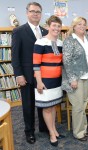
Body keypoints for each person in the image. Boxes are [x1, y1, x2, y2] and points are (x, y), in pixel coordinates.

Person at [11, 2, 48, 144]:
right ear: (27, 13)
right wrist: (18, 75)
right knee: (28, 105)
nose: (35, 14)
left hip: (42, 75)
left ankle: (43, 127)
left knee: (42, 102)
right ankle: (29, 131)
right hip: (26, 75)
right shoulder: (19, 31)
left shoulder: (45, 32)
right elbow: (15, 56)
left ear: (41, 14)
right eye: (32, 11)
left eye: (38, 11)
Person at [62, 17, 88, 142]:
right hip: (76, 79)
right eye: (79, 24)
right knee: (78, 106)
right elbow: (67, 61)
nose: (82, 26)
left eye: (84, 24)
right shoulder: (69, 40)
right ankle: (78, 133)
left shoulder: (86, 39)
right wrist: (72, 79)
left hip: (87, 77)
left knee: (84, 104)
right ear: (74, 26)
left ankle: (83, 129)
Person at [33, 15, 64, 147]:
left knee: (54, 106)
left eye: (58, 26)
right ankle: (51, 133)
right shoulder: (40, 42)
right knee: (46, 108)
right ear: (48, 27)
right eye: (54, 25)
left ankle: (54, 129)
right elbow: (36, 64)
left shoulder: (60, 43)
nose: (56, 28)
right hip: (44, 81)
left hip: (57, 81)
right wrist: (39, 81)